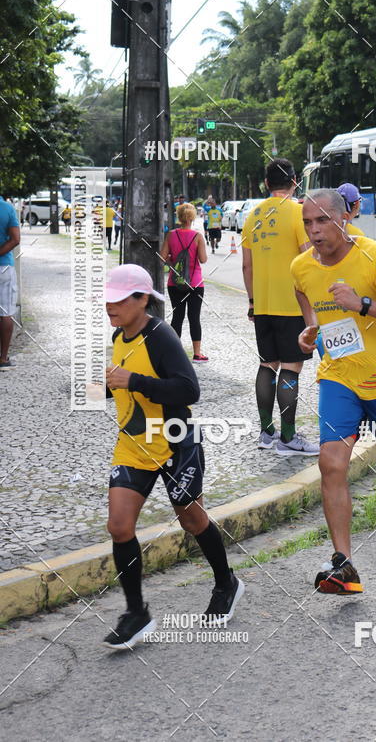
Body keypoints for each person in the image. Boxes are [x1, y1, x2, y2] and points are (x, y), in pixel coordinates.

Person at [291, 189, 376, 594]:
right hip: (339, 378)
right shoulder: (301, 267)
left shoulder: (373, 256)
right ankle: (343, 564)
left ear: (344, 218)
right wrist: (310, 331)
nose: (314, 230)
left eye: (322, 220)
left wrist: (362, 304)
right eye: (307, 223)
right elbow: (306, 297)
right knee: (331, 463)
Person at [103, 263, 244, 649]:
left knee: (192, 520)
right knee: (119, 526)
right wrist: (106, 386)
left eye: (119, 299)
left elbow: (188, 389)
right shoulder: (119, 335)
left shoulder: (161, 336)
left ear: (142, 299)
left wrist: (133, 381)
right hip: (133, 445)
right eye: (107, 299)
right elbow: (123, 383)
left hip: (174, 444)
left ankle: (226, 583)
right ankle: (136, 613)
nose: (110, 306)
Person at [242, 158, 319, 456]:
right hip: (292, 305)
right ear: (295, 181)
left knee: (267, 364)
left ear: (266, 183)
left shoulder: (252, 215)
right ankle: (288, 437)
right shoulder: (299, 213)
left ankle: (266, 432)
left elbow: (247, 265)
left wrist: (252, 301)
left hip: (262, 305)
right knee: (291, 368)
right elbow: (308, 258)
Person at [160, 202, 208, 363]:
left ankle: (174, 353)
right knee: (194, 318)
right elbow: (203, 259)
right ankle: (197, 354)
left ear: (179, 217)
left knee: (177, 317)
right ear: (192, 218)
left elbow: (162, 257)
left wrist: (172, 261)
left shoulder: (171, 235)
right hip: (195, 283)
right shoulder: (197, 237)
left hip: (175, 283)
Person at [0, 194, 20, 370]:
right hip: (4, 267)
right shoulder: (7, 208)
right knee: (5, 312)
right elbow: (15, 239)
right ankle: (3, 358)